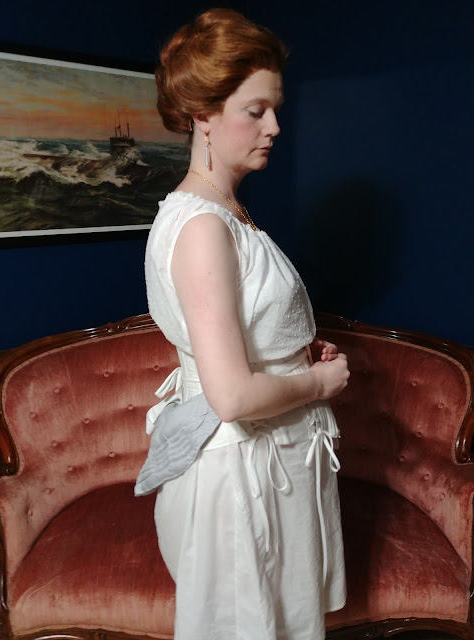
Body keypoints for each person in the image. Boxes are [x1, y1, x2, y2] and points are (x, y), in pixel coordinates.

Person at [135, 8, 350, 639]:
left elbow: (243, 333)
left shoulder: (224, 210)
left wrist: (293, 355)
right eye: (255, 111)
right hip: (242, 473)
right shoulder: (204, 227)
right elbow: (230, 396)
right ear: (203, 114)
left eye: (275, 109)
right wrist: (320, 383)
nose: (275, 127)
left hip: (270, 460)